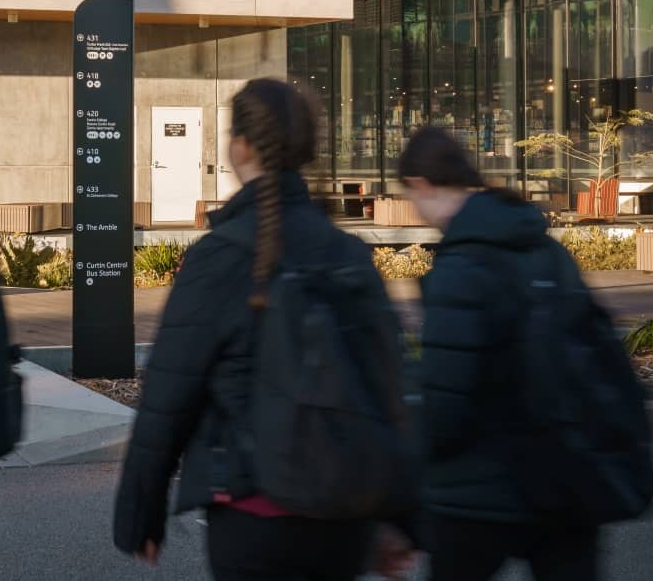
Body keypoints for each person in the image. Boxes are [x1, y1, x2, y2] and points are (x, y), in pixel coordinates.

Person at [113, 78, 417, 580]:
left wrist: (139, 513)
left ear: (240, 147)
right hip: (344, 517)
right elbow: (391, 387)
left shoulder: (221, 256)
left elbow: (170, 393)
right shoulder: (347, 254)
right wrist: (401, 515)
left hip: (252, 516)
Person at [398, 127, 602, 581]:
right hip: (565, 476)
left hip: (480, 492)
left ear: (420, 184)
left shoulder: (460, 265)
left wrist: (404, 499)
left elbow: (445, 402)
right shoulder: (545, 248)